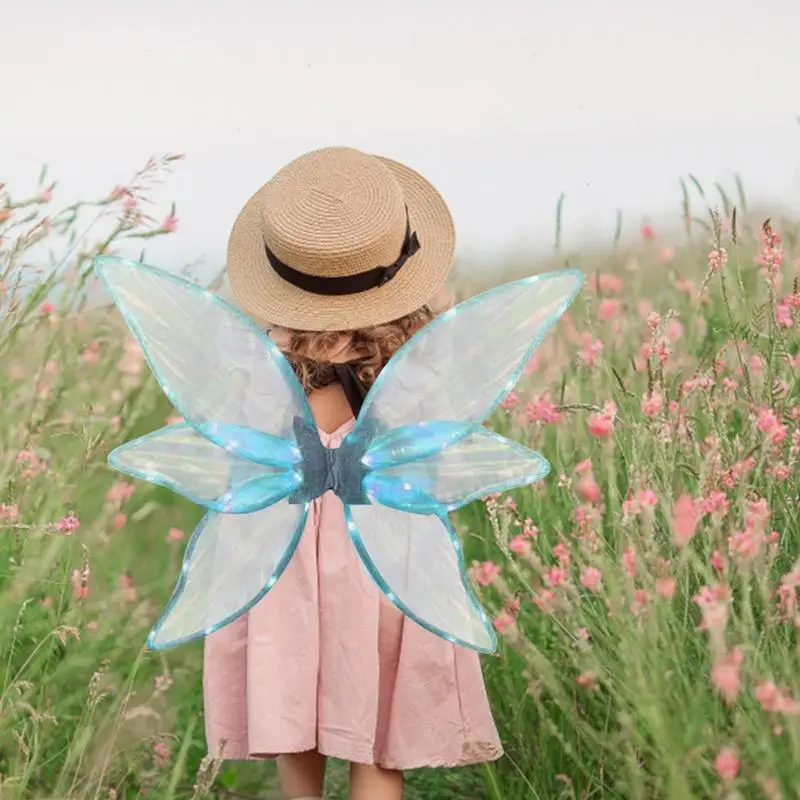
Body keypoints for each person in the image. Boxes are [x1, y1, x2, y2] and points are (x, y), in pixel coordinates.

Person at [203, 147, 502, 800]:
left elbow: (238, 468)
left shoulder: (262, 369)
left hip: (281, 557)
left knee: (296, 720)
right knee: (376, 744)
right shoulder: (413, 363)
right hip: (383, 549)